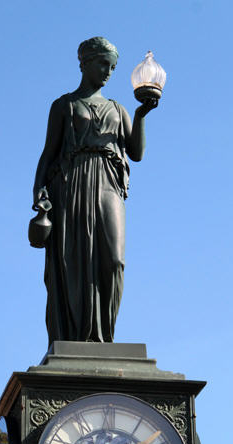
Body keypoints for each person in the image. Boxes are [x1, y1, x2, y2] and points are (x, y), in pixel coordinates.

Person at [33, 37, 157, 346]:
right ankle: (76, 336)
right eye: (103, 64)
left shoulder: (118, 108)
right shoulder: (64, 105)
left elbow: (137, 152)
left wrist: (141, 115)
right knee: (73, 260)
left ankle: (104, 336)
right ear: (85, 63)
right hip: (71, 184)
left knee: (113, 259)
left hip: (108, 184)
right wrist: (38, 192)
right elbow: (48, 152)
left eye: (112, 67)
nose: (108, 71)